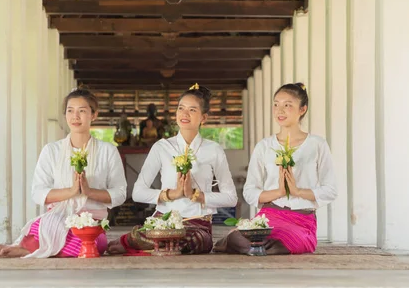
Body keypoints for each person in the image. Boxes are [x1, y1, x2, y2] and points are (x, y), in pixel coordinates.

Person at [0, 87, 127, 258]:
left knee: (92, 245)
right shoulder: (51, 150)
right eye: (70, 111)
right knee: (45, 230)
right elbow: (38, 193)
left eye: (82, 111)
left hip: (91, 222)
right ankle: (37, 248)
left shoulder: (108, 151)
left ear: (94, 115)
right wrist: (71, 192)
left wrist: (89, 192)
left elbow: (120, 193)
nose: (75, 116)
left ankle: (31, 250)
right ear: (65, 115)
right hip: (58, 217)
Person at [107, 84, 238, 255]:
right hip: (164, 221)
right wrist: (171, 194)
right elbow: (138, 192)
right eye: (181, 108)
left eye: (192, 110)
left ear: (203, 118)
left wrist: (196, 195)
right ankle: (154, 241)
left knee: (198, 240)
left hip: (197, 224)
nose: (184, 114)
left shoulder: (213, 149)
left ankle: (146, 243)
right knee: (158, 233)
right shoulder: (162, 147)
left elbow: (231, 198)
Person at [213, 82, 337, 255]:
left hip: (301, 220)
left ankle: (254, 248)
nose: (280, 110)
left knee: (290, 242)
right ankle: (252, 246)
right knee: (243, 236)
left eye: (287, 105)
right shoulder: (264, 146)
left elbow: (330, 190)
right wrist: (279, 192)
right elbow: (250, 191)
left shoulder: (317, 145)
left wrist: (297, 191)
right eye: (276, 104)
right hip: (269, 216)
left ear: (302, 109)